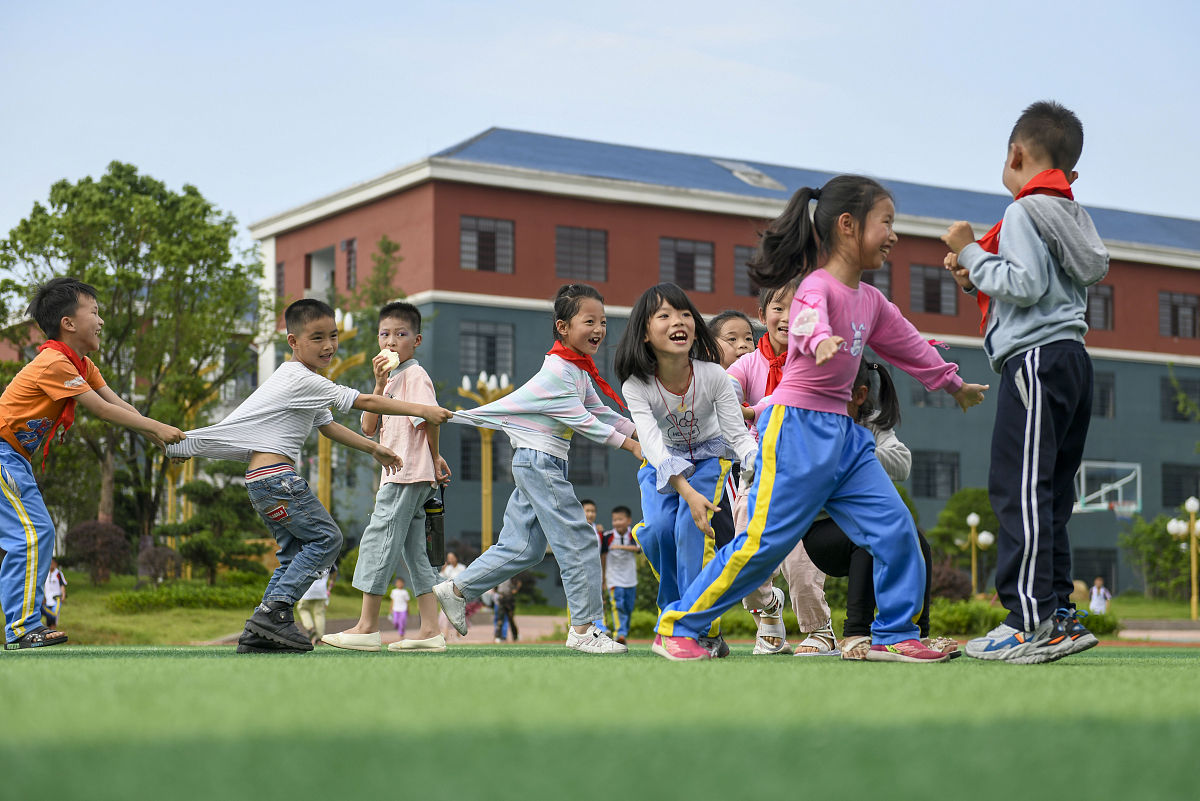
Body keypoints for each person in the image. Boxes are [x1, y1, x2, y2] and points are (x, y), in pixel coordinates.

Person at [652, 174, 989, 662]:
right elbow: (807, 320)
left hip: (846, 440)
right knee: (761, 546)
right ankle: (679, 626)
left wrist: (952, 383)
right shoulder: (816, 287)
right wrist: (818, 340)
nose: (894, 235)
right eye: (886, 223)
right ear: (848, 226)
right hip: (796, 431)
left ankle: (894, 633)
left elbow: (908, 343)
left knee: (896, 530)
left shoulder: (870, 300)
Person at [166, 298, 453, 654]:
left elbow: (328, 426)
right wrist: (423, 409)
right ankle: (275, 612)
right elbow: (366, 404)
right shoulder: (300, 378)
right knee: (328, 539)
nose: (329, 345)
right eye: (317, 338)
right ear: (293, 342)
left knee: (293, 554)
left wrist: (373, 449)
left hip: (261, 482)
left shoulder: (304, 380)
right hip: (277, 480)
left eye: (333, 336)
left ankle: (262, 627)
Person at [943, 101, 1109, 664]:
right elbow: (1041, 283)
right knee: (1051, 492)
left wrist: (968, 248)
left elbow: (1027, 283)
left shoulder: (1022, 212)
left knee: (1018, 487)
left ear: (1016, 154)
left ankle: (1031, 620)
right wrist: (976, 278)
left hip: (1035, 360)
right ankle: (1056, 611)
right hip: (1071, 359)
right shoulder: (1072, 213)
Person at [435, 284, 643, 654]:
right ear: (563, 327)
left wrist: (640, 431)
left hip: (540, 461)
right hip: (540, 462)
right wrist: (631, 445)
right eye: (589, 321)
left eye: (603, 322)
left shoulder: (575, 370)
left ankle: (456, 589)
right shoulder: (558, 373)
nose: (599, 329)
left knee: (524, 548)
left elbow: (599, 411)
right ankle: (583, 630)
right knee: (580, 539)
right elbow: (583, 420)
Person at [1, 277, 186, 650]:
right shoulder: (54, 362)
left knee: (33, 533)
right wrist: (159, 429)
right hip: (3, 455)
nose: (102, 320)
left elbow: (120, 405)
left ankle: (23, 625)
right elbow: (101, 411)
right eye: (95, 312)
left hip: (14, 459)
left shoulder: (81, 364)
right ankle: (22, 629)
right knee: (34, 534)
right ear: (68, 323)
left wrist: (162, 437)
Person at [615, 282, 759, 659]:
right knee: (660, 531)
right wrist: (686, 491)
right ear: (645, 333)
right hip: (662, 463)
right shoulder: (637, 385)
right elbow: (652, 444)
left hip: (709, 460)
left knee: (690, 531)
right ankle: (676, 613)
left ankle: (695, 627)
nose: (677, 321)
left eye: (683, 314)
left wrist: (759, 463)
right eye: (663, 315)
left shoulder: (713, 376)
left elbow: (737, 434)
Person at [803, 361, 958, 660]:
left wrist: (861, 455)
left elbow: (902, 463)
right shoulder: (813, 422)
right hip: (822, 533)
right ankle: (856, 634)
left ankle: (916, 635)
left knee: (916, 540)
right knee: (871, 536)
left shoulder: (871, 422)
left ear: (859, 396)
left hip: (862, 522)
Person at [321, 301, 452, 654]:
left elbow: (429, 418)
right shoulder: (391, 378)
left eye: (401, 334)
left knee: (379, 538)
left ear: (417, 340)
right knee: (415, 551)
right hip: (403, 473)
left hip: (407, 472)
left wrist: (435, 456)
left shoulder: (415, 375)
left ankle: (366, 627)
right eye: (384, 335)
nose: (391, 341)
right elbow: (367, 427)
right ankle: (429, 630)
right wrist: (378, 384)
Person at [731, 283, 838, 657]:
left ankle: (819, 630)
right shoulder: (747, 365)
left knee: (801, 557)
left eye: (798, 309)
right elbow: (723, 394)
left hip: (805, 469)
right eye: (779, 308)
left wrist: (754, 409)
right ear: (762, 316)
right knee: (745, 549)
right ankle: (768, 609)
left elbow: (798, 395)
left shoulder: (815, 360)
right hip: (757, 470)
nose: (787, 317)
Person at [604, 505, 640, 645]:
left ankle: (623, 631)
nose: (617, 522)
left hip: (630, 579)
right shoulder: (607, 536)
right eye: (614, 520)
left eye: (620, 519)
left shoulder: (634, 535)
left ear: (628, 520)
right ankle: (620, 634)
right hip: (613, 578)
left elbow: (638, 549)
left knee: (628, 608)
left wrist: (619, 547)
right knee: (617, 605)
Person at [295, 569, 331, 645]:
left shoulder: (307, 557)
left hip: (307, 590)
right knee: (319, 613)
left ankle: (310, 627)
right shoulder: (328, 558)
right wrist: (331, 585)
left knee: (302, 609)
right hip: (321, 591)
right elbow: (334, 571)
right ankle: (320, 638)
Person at [42, 557, 67, 629]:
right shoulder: (45, 573)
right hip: (47, 599)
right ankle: (49, 631)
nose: (51, 565)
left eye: (52, 563)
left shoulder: (58, 573)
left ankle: (53, 630)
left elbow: (62, 585)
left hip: (56, 599)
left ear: (55, 564)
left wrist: (63, 595)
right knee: (48, 617)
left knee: (54, 616)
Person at [493, 577, 519, 642]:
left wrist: (515, 590)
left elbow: (518, 582)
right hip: (501, 599)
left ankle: (515, 636)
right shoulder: (499, 577)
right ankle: (498, 636)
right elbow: (494, 587)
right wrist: (497, 593)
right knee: (500, 619)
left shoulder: (511, 576)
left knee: (511, 619)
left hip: (509, 599)